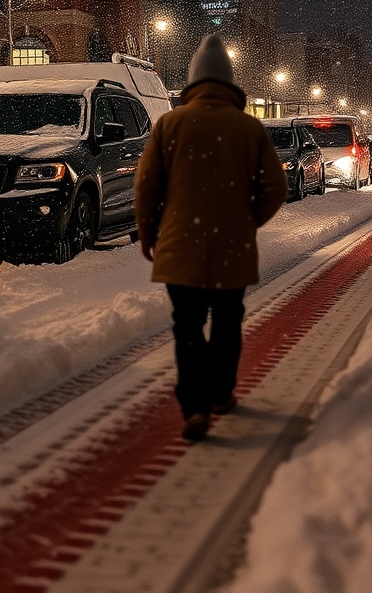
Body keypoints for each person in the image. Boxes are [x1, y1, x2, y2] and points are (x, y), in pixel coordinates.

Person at [134, 33, 287, 441]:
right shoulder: (248, 128)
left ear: (194, 81)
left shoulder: (169, 125)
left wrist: (149, 233)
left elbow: (146, 187)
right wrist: (247, 220)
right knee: (227, 321)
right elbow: (276, 188)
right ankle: (220, 393)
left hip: (180, 245)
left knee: (186, 326)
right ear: (228, 82)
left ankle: (194, 407)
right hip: (232, 247)